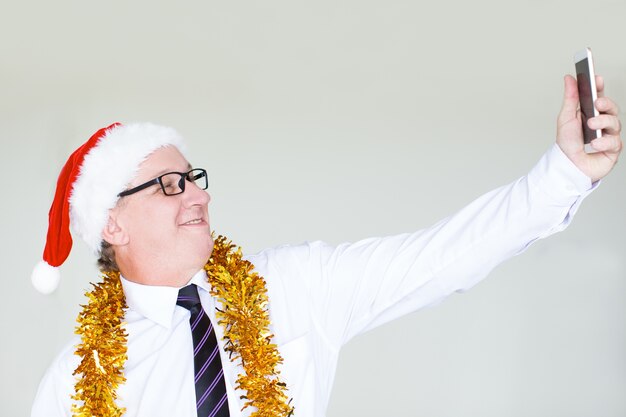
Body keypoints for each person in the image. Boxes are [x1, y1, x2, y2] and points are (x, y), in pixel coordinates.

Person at [31, 75, 622, 417]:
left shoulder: (295, 286)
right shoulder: (76, 382)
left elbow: (443, 257)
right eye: (168, 186)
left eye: (194, 179)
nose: (197, 197)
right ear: (113, 225)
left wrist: (565, 174)